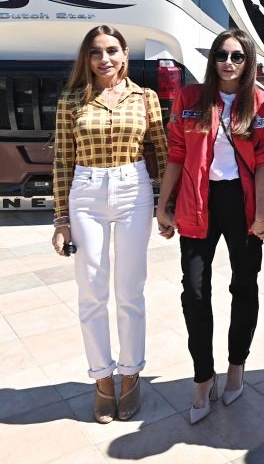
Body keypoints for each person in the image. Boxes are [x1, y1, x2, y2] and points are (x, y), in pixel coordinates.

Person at [155, 28, 264, 425]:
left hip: (241, 205)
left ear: (248, 62)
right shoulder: (190, 98)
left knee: (244, 285)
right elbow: (176, 152)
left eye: (237, 56)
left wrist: (262, 214)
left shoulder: (262, 103)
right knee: (194, 291)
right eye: (222, 55)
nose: (228, 62)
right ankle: (202, 376)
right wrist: (163, 205)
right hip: (197, 201)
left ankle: (237, 364)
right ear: (212, 59)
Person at [51, 24, 168, 423]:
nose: (105, 59)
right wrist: (61, 220)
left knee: (130, 289)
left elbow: (164, 153)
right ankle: (102, 380)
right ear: (87, 58)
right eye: (96, 52)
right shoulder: (71, 100)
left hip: (132, 188)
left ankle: (131, 374)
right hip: (86, 189)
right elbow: (62, 160)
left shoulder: (145, 97)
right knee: (91, 290)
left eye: (112, 50)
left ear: (125, 52)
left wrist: (165, 205)